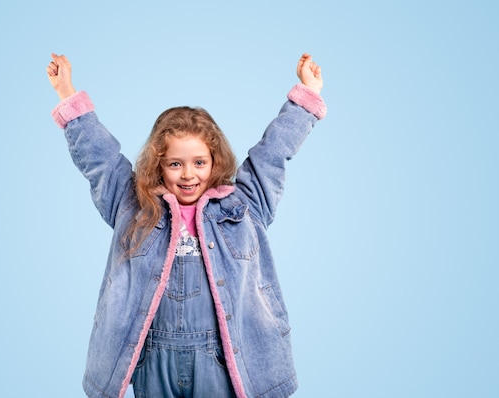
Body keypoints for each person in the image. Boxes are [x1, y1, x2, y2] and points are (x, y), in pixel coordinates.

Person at [46, 52, 326, 398]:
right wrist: (67, 92)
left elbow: (272, 154)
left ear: (215, 161)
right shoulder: (133, 203)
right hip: (152, 359)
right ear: (158, 165)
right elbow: (99, 158)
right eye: (175, 163)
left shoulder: (244, 204)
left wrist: (306, 96)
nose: (189, 174)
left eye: (199, 162)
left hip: (223, 361)